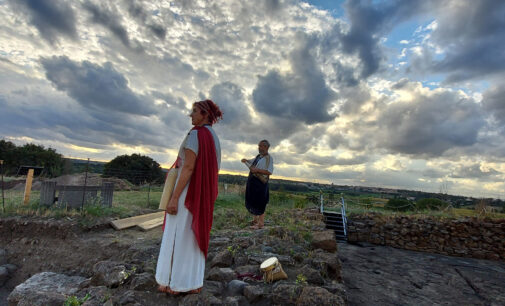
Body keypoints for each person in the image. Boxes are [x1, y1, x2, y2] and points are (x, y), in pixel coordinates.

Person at [156, 100, 222, 295]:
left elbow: (189, 167)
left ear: (205, 114)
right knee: (193, 235)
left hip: (188, 193)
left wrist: (174, 198)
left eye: (194, 111)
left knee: (179, 234)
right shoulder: (213, 137)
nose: (190, 115)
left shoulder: (196, 134)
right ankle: (192, 282)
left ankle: (175, 284)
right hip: (202, 194)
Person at [241, 140, 274, 229]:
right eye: (259, 146)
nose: (259, 148)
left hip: (260, 183)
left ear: (266, 147)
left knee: (260, 201)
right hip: (253, 182)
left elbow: (269, 172)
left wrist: (257, 170)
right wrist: (246, 160)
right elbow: (252, 162)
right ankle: (255, 220)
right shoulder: (259, 156)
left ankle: (260, 224)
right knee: (253, 200)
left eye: (261, 146)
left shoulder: (269, 158)